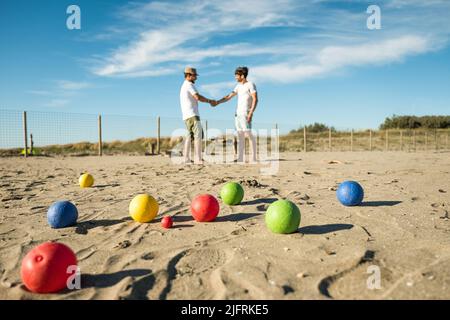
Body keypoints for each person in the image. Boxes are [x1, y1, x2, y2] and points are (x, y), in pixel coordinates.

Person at [215, 66, 258, 163]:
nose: (235, 77)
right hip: (237, 114)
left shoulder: (251, 84)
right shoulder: (238, 86)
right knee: (240, 136)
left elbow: (255, 99)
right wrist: (218, 102)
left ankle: (254, 157)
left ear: (242, 76)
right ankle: (241, 157)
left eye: (236, 76)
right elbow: (229, 97)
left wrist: (251, 112)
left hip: (246, 113)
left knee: (248, 135)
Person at [179, 67, 216, 164]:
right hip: (192, 114)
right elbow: (197, 97)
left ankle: (186, 158)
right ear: (188, 75)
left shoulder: (184, 85)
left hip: (187, 115)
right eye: (194, 75)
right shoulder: (189, 85)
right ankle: (198, 159)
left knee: (189, 136)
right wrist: (209, 101)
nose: (196, 77)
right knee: (197, 136)